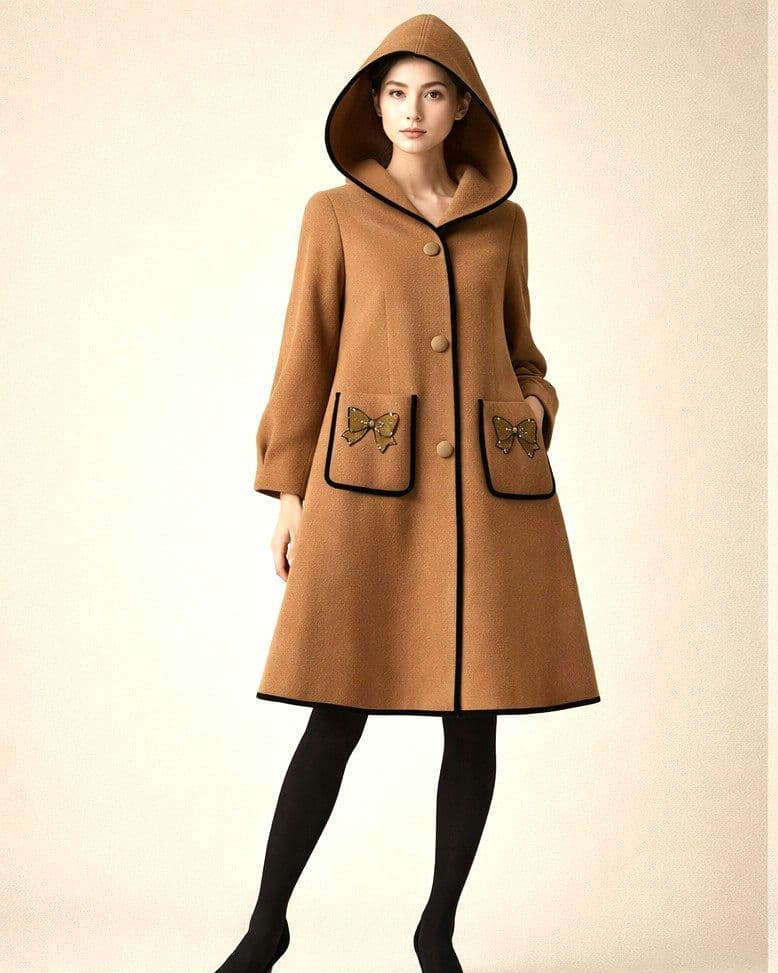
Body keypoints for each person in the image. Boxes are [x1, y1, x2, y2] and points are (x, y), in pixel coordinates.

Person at [214, 13, 600, 973]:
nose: (411, 110)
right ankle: (266, 928)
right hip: (368, 495)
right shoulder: (334, 214)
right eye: (394, 93)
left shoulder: (505, 224)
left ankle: (437, 930)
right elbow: (305, 353)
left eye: (431, 92)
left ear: (464, 106)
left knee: (475, 719)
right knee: (335, 712)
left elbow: (524, 354)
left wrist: (532, 409)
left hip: (484, 507)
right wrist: (289, 492)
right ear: (374, 104)